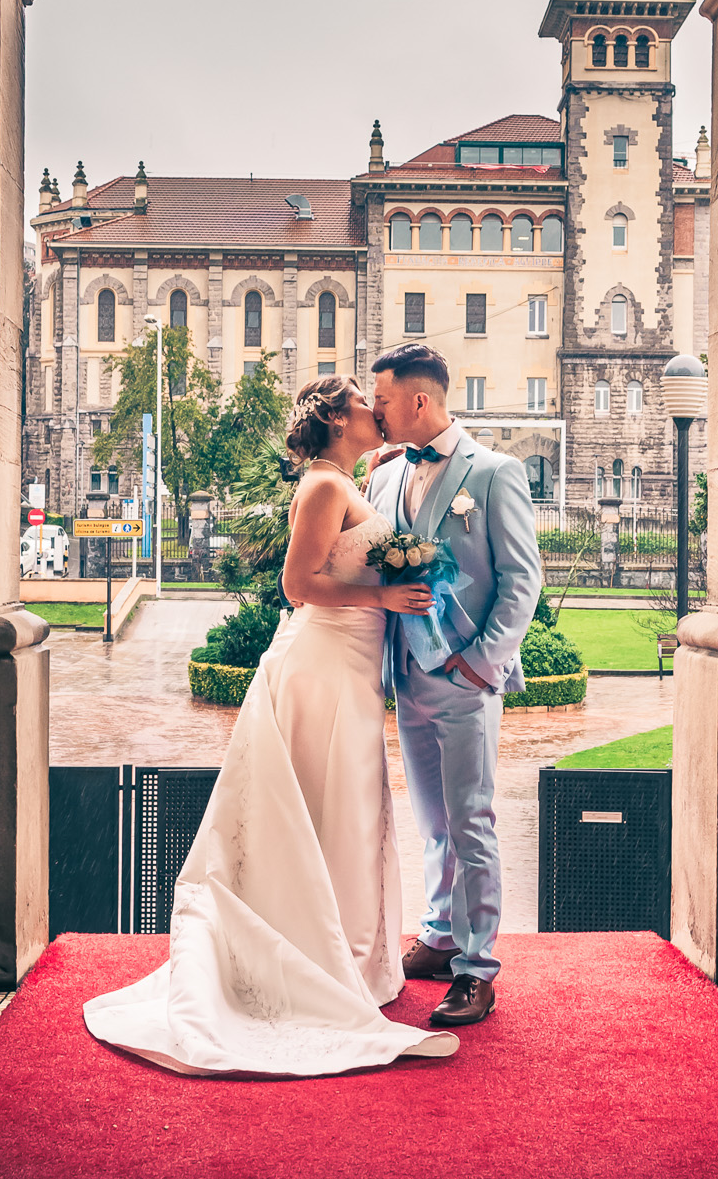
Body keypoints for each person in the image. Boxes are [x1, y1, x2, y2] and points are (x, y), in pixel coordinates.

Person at [82, 376, 458, 1077]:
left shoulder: (347, 476)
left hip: (350, 661)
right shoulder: (321, 489)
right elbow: (297, 584)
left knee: (344, 808)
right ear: (338, 419)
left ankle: (341, 952)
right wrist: (385, 593)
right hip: (324, 663)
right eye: (363, 403)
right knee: (336, 806)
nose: (375, 411)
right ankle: (320, 959)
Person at [367, 344, 543, 1028]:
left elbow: (522, 580)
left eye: (383, 401)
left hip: (467, 681)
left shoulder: (496, 474)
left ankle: (477, 971)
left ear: (419, 402)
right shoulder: (383, 477)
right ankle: (439, 936)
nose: (377, 413)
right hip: (406, 675)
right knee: (432, 822)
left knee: (472, 820)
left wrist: (481, 662)